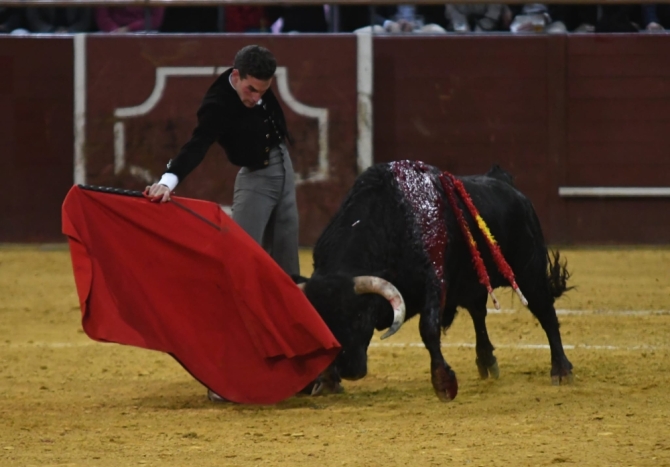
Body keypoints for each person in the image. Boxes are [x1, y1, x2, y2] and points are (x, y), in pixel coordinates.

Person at [146, 45, 300, 289]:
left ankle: (288, 318)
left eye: (264, 91)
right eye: (251, 89)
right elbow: (197, 144)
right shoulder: (217, 105)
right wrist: (168, 180)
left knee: (286, 256)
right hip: (257, 174)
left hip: (283, 164)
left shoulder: (252, 78)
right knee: (239, 254)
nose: (256, 98)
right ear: (236, 76)